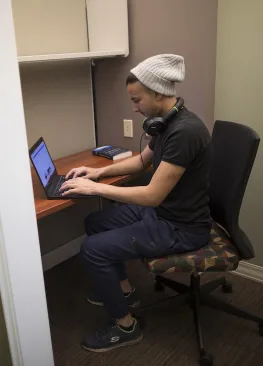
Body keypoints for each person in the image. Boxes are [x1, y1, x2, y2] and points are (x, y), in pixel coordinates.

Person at [60, 54, 212, 352]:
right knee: (95, 223)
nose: (134, 108)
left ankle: (124, 326)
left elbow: (151, 195)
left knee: (92, 250)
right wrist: (98, 172)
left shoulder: (185, 132)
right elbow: (142, 162)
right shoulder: (166, 124)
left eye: (137, 100)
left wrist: (94, 190)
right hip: (163, 214)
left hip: (181, 226)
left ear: (157, 93)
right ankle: (125, 293)